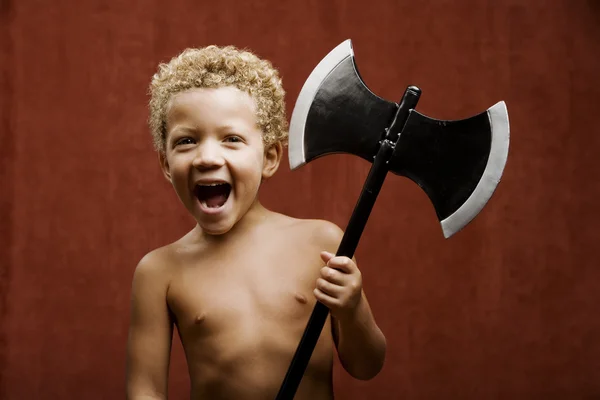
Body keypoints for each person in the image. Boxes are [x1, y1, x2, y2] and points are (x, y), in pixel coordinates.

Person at [126, 45, 386, 400]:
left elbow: (367, 365)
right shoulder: (159, 271)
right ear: (166, 163)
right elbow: (145, 389)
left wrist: (352, 308)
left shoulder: (321, 243)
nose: (206, 157)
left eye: (231, 139)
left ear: (270, 156)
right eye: (187, 141)